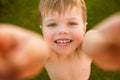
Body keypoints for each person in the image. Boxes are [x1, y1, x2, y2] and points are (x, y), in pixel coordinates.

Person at [0, 0, 92, 80]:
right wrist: (24, 54)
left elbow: (93, 38)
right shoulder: (50, 54)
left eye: (72, 23)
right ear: (43, 30)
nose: (62, 31)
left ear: (84, 28)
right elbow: (39, 48)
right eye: (52, 25)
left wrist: (102, 39)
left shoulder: (84, 49)